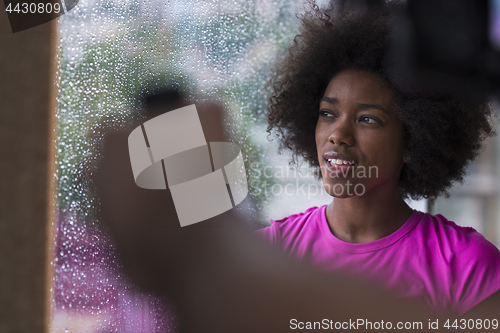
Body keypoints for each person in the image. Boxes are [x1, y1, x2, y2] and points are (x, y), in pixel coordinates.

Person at [259, 0, 500, 317]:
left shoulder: (469, 265)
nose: (338, 135)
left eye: (367, 119)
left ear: (412, 142)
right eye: (328, 114)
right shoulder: (270, 254)